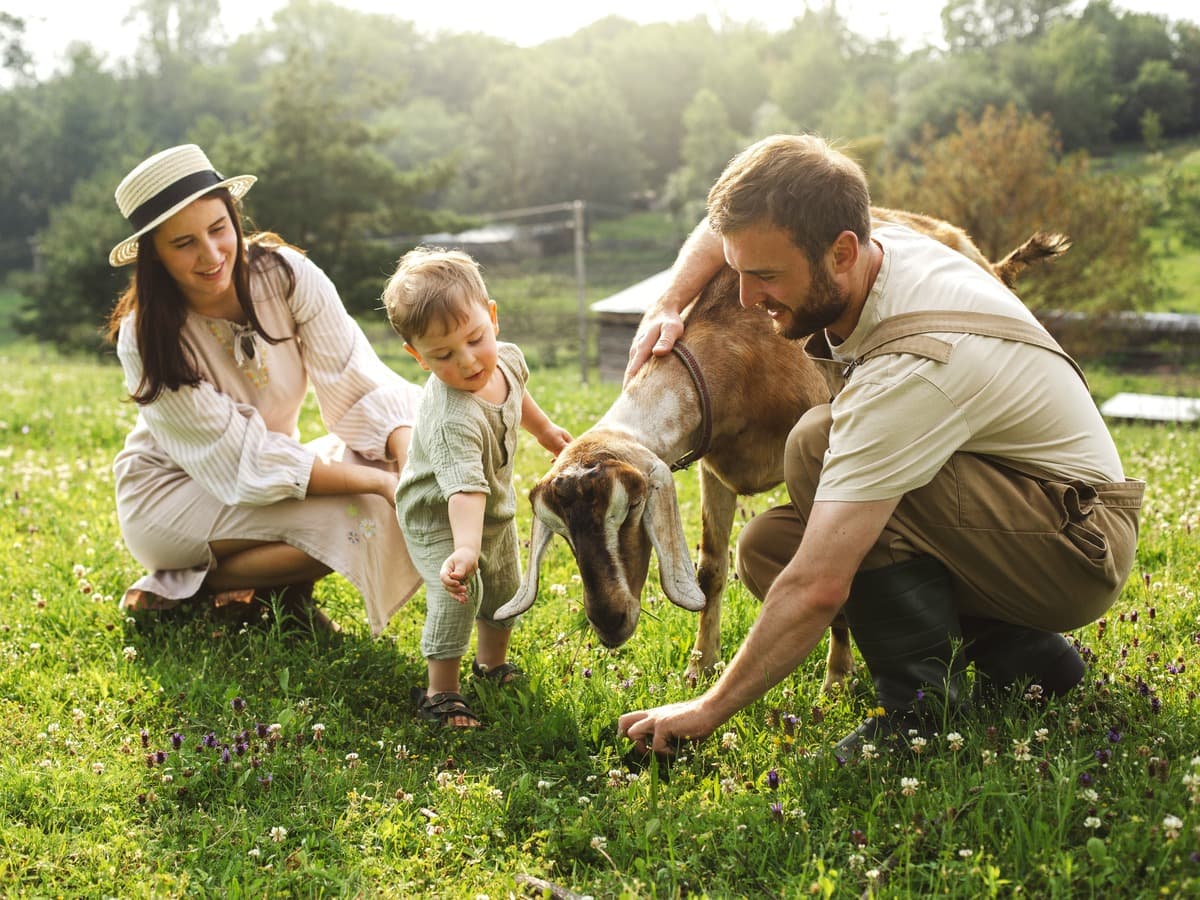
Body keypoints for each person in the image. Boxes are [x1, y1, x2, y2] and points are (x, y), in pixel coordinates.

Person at [617, 134, 1144, 760]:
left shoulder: (912, 365)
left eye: (764, 276)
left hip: (1075, 548)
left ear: (839, 252)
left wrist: (707, 711)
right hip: (1028, 509)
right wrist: (670, 302)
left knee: (817, 455)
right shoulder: (878, 247)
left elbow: (818, 586)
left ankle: (919, 710)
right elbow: (719, 228)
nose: (746, 299)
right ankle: (1024, 657)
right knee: (769, 547)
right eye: (738, 271)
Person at [106, 143, 423, 635]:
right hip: (169, 497)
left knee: (383, 460)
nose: (211, 255)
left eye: (217, 229)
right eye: (183, 243)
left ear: (234, 219)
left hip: (268, 470)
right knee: (354, 516)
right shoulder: (145, 335)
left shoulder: (287, 276)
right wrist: (381, 484)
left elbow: (358, 383)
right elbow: (241, 460)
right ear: (155, 256)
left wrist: (406, 461)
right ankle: (204, 590)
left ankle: (258, 593)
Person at [382, 247, 571, 728]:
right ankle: (440, 693)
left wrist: (546, 432)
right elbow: (463, 491)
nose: (467, 362)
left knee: (505, 584)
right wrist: (464, 551)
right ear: (417, 357)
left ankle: (491, 665)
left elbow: (518, 396)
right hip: (439, 516)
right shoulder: (452, 417)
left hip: (492, 508)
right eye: (443, 355)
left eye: (474, 339)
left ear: (492, 318)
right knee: (458, 593)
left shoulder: (506, 361)